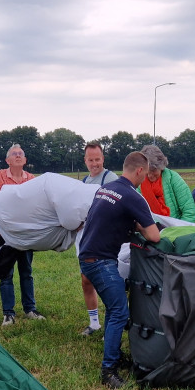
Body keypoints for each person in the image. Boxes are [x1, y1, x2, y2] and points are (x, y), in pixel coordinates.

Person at [78, 151, 160, 388]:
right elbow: (154, 235)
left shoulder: (106, 189)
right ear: (140, 171)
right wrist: (142, 227)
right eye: (145, 174)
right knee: (119, 312)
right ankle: (109, 371)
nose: (144, 179)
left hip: (87, 256)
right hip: (101, 261)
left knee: (113, 306)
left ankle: (114, 353)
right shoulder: (132, 196)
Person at [0, 144, 44, 325]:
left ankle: (30, 309)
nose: (18, 156)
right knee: (6, 273)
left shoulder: (32, 179)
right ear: (8, 160)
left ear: (25, 160)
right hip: (6, 233)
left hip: (26, 233)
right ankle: (8, 313)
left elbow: (40, 203)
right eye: (14, 154)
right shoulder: (0, 176)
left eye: (21, 154)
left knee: (26, 271)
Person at [77, 142, 117, 336]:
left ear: (103, 159)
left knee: (107, 281)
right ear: (85, 161)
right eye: (91, 160)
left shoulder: (111, 178)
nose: (94, 163)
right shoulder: (84, 181)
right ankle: (94, 323)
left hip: (105, 238)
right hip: (86, 236)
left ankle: (114, 321)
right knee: (86, 279)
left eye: (97, 159)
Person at [138, 144, 195, 222]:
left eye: (153, 171)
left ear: (161, 166)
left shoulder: (174, 179)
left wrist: (180, 229)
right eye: (147, 171)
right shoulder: (139, 183)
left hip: (176, 228)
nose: (150, 175)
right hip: (150, 229)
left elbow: (189, 211)